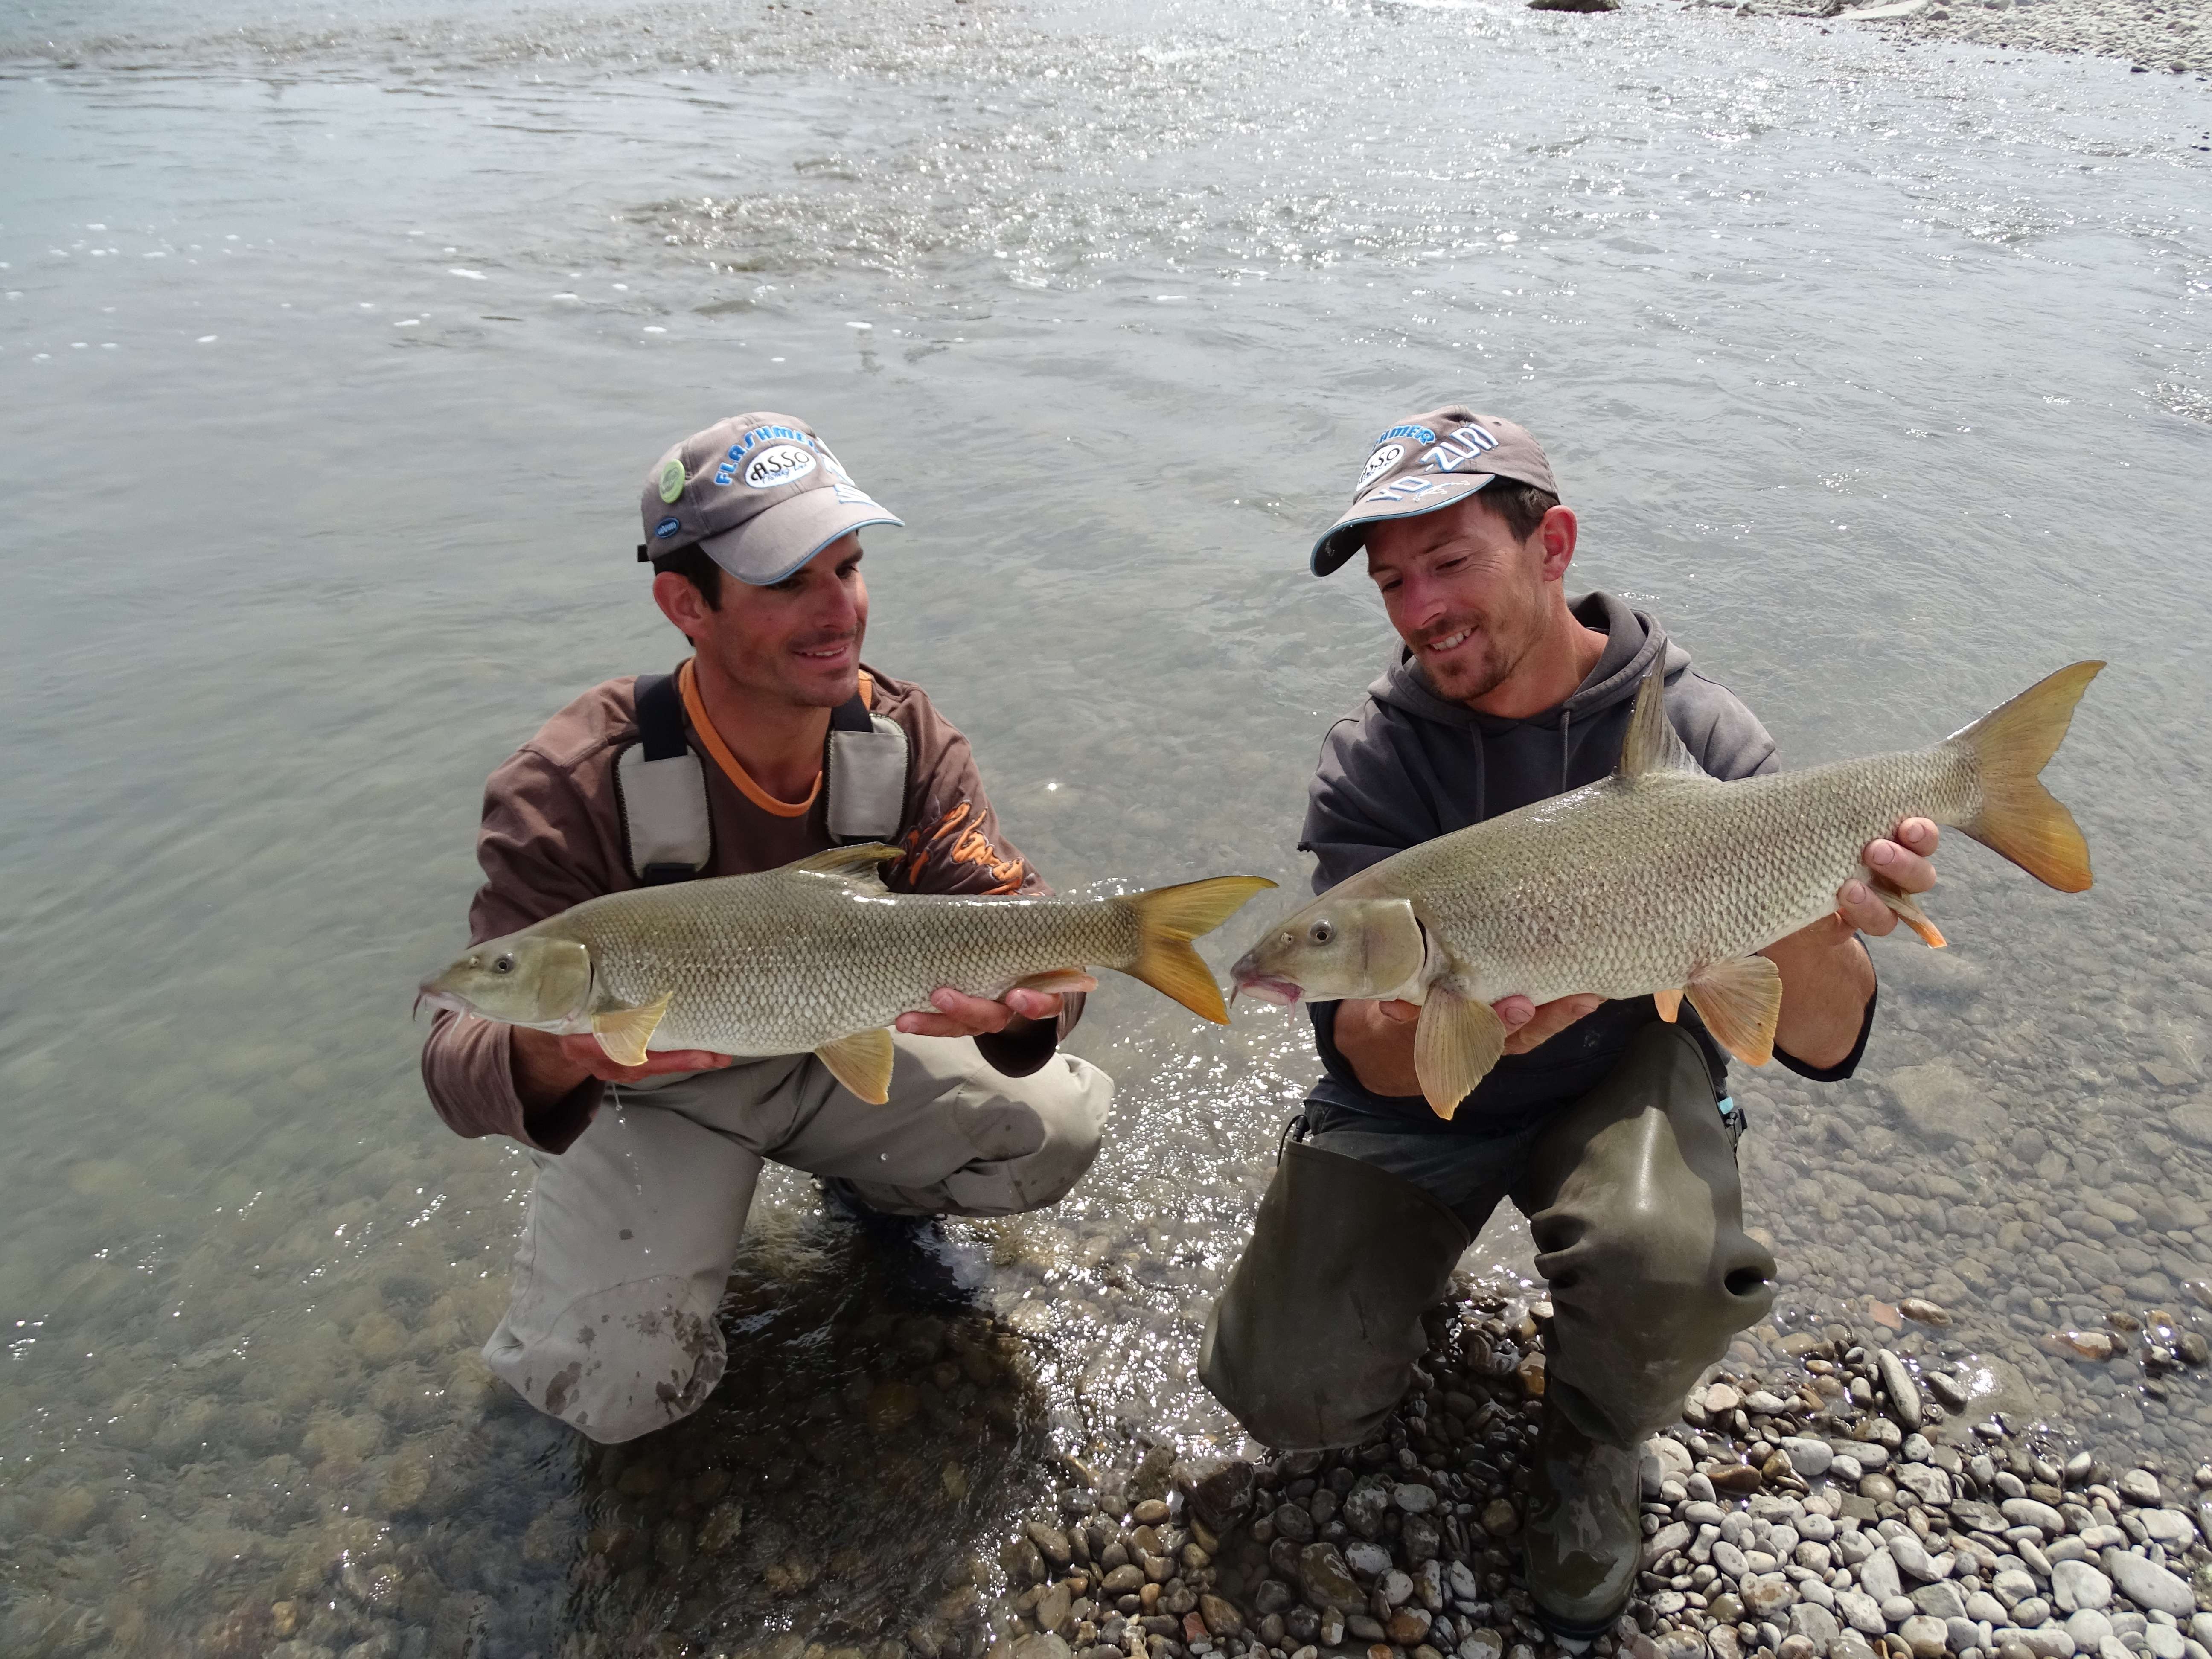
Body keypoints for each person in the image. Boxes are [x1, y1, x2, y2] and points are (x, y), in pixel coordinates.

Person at [1197, 407, 1938, 1644]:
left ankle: (1594, 1444)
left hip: (1623, 1072)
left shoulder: (1701, 735)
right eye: (1392, 582)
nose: (1419, 607)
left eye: (1450, 562)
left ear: (1554, 547)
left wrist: (1821, 915)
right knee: (1287, 1392)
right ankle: (1403, 1285)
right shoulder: (1375, 763)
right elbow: (1375, 1061)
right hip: (1433, 1092)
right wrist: (1477, 1025)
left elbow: (1821, 1041)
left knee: (1672, 1259)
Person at [420, 412, 1112, 1444]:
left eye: (851, 566)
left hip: (841, 1050)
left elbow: (1013, 919)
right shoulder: (565, 786)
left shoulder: (906, 741)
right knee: (609, 1387)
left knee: (1050, 1127)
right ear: (683, 605)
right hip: (656, 1101)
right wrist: (551, 1047)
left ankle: (874, 1199)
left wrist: (1037, 999)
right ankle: (664, 1248)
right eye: (789, 582)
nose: (840, 609)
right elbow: (451, 1060)